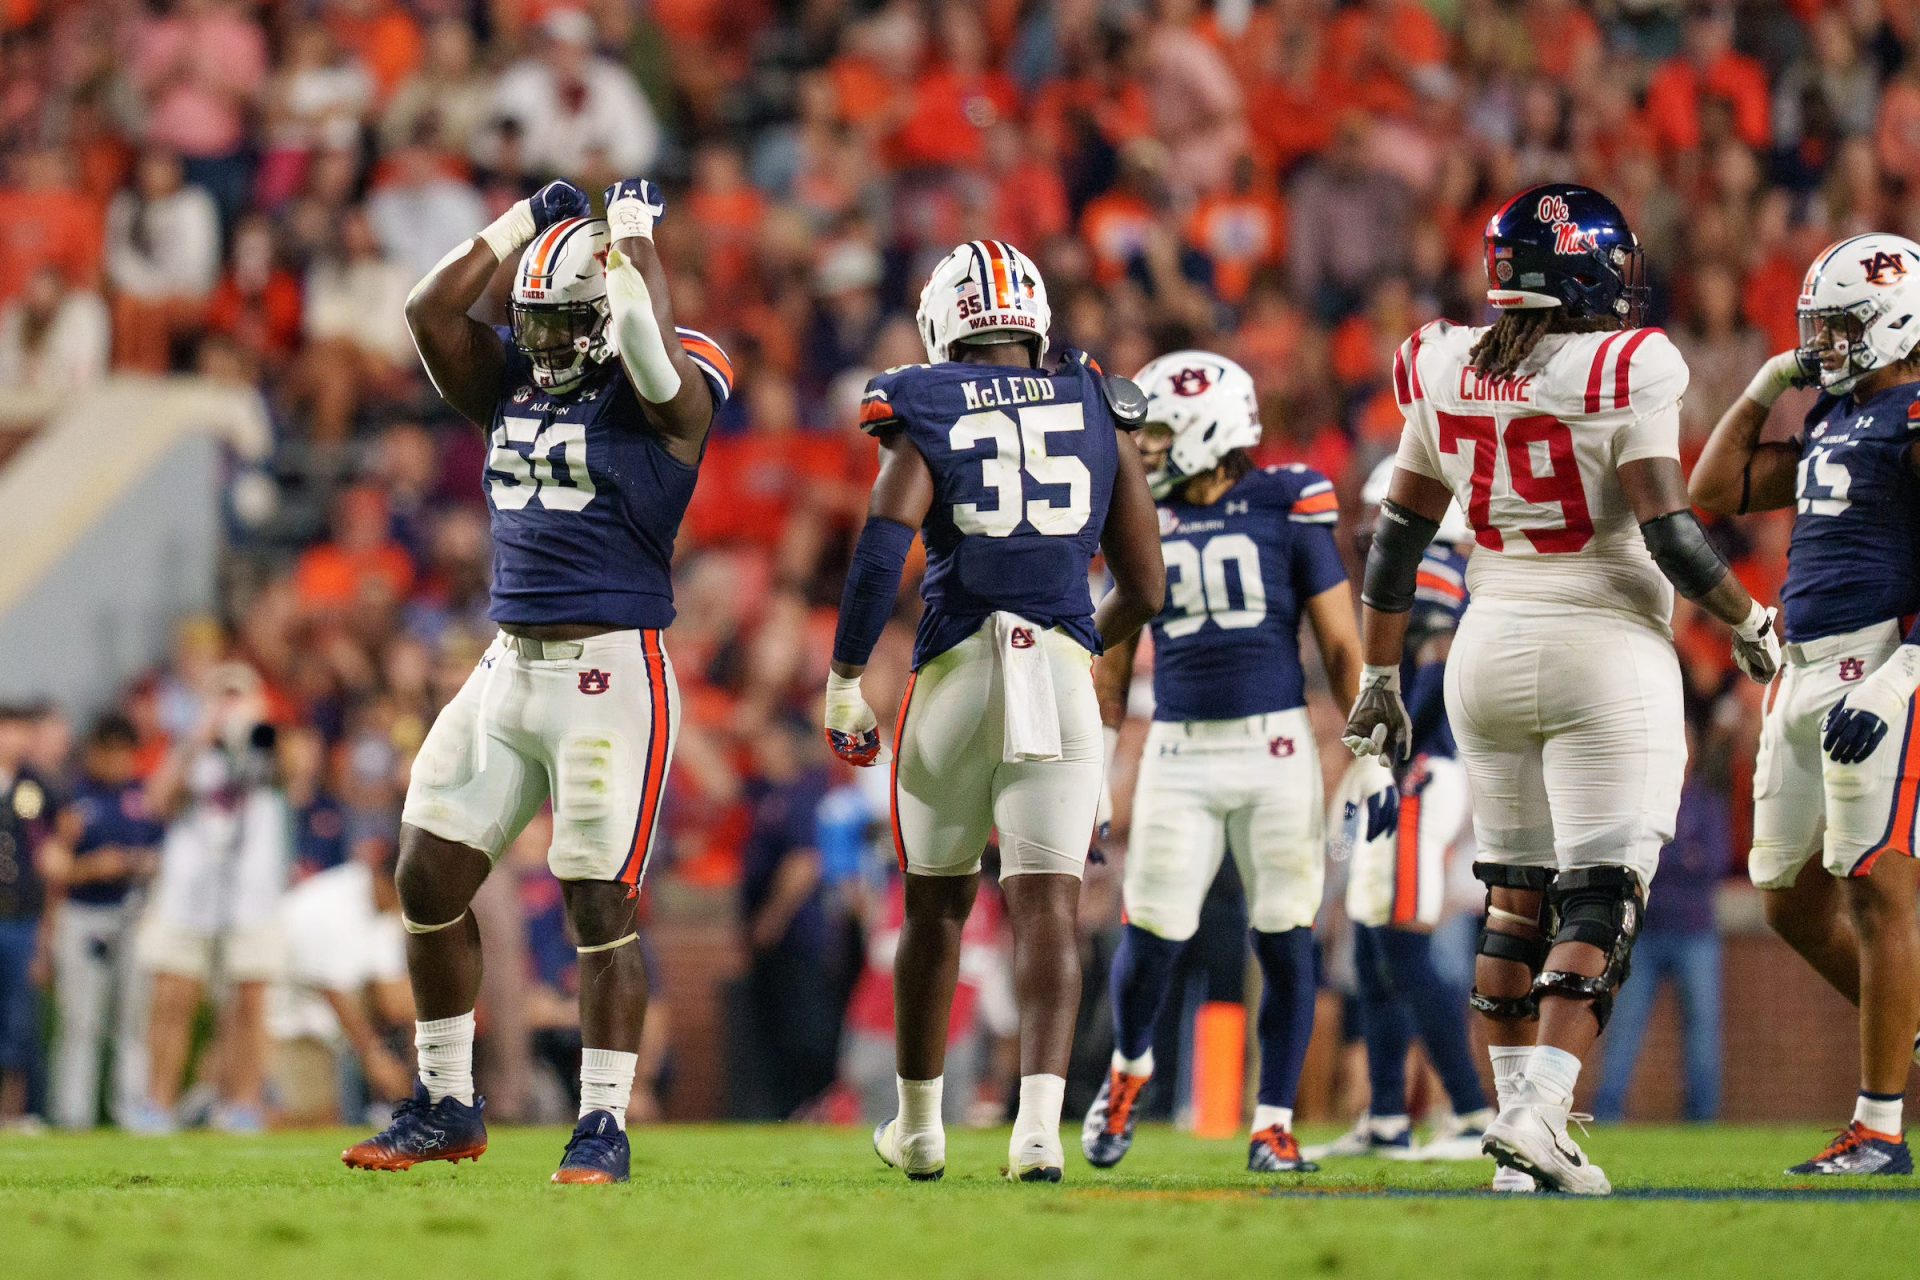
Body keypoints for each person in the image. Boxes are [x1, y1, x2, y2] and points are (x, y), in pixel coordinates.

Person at [1345, 183, 1779, 1195]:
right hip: (1603, 640)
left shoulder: (1444, 363)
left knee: (1513, 896)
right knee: (1601, 892)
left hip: (1484, 649)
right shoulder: (1631, 361)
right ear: (1586, 267)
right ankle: (1540, 1112)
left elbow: (1395, 545)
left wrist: (1376, 671)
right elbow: (1670, 532)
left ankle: (1518, 1129)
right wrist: (1750, 621)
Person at [342, 175, 731, 1185]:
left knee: (598, 896)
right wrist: (526, 221)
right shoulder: (514, 374)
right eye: (534, 322)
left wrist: (635, 234)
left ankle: (604, 1120)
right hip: (508, 659)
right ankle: (445, 1099)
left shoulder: (668, 394)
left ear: (608, 314)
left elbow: (650, 342)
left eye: (565, 324)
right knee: (427, 871)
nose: (545, 344)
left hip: (613, 669)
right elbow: (428, 308)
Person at [822, 239, 1165, 1183]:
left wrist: (847, 675)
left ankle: (921, 1126)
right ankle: (1038, 1132)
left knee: (932, 905)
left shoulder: (925, 399)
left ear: (945, 324)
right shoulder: (1096, 396)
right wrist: (1072, 638)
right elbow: (1146, 581)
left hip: (958, 667)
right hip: (1056, 670)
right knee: (1049, 906)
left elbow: (881, 542)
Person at [1076, 349, 1361, 1175]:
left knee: (1285, 937)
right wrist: (1093, 771)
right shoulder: (1140, 512)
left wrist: (1372, 743)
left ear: (1208, 425)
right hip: (1177, 749)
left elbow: (1339, 642)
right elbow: (1112, 660)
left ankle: (1273, 1123)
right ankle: (1130, 1071)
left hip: (1276, 749)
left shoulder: (1286, 500)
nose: (1150, 446)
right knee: (1153, 931)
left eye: (1162, 429)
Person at [1687, 232, 1920, 1175]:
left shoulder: (1913, 416)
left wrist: (1909, 670)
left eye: (1840, 324)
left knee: (1878, 886)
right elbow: (1713, 488)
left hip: (1879, 666)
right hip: (1799, 668)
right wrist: (1760, 387)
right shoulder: (1833, 413)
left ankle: (1878, 1126)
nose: (1821, 341)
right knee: (1787, 898)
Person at [1310, 459, 1494, 1164]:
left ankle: (1472, 1113)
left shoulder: (1437, 574)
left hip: (1422, 770)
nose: (1369, 529)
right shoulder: (1432, 572)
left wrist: (1391, 753)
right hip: (1405, 768)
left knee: (1405, 940)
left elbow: (1438, 671)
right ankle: (1386, 1115)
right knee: (1379, 943)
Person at [129, 663, 290, 1135]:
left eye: (239, 696)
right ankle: (157, 1103)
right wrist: (199, 736)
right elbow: (157, 801)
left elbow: (295, 777)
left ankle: (243, 1103)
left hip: (253, 892)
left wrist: (258, 730)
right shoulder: (189, 748)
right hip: (187, 890)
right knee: (174, 996)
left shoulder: (269, 742)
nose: (230, 706)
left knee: (249, 1000)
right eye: (223, 695)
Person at [1592, 731, 1731, 1124]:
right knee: (1624, 1029)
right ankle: (1607, 1113)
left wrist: (1664, 861)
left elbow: (1714, 863)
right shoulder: (1641, 803)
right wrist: (1682, 856)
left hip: (1695, 933)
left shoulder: (1706, 803)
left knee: (1703, 1032)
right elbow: (1629, 863)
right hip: (1645, 933)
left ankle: (1702, 1119)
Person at [42, 715, 163, 1130]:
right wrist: (91, 867)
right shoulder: (72, 796)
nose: (115, 761)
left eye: (123, 752)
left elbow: (167, 856)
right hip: (83, 913)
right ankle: (72, 1114)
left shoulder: (147, 797)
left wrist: (141, 865)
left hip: (133, 914)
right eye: (107, 751)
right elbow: (53, 865)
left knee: (133, 1021)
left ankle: (132, 1110)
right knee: (80, 1021)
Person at [269, 837, 412, 1125]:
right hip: (287, 1019)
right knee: (313, 1120)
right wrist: (375, 1058)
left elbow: (394, 996)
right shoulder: (328, 904)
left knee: (328, 1120)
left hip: (328, 1025)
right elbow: (331, 990)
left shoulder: (385, 906)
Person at [0, 704, 55, 1130]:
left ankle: (13, 1111)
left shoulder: (35, 788)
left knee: (20, 1021)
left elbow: (45, 856)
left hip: (20, 916)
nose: (14, 740)